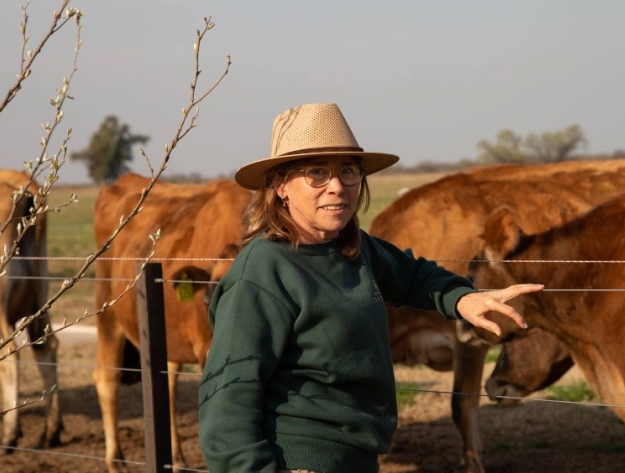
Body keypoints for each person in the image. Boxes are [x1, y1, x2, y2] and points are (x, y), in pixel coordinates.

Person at [198, 103, 543, 473]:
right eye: (317, 172)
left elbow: (414, 275)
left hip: (359, 460)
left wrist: (463, 298)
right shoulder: (264, 271)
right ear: (281, 185)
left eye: (348, 171)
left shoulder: (353, 248)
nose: (337, 186)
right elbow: (227, 404)